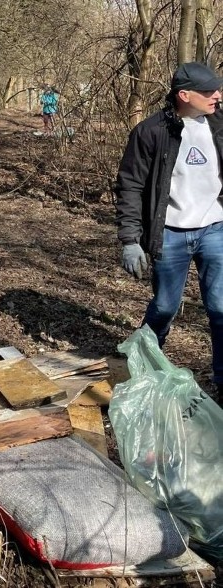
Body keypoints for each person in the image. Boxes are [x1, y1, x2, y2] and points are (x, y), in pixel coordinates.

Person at [115, 61, 223, 403]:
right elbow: (130, 184)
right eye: (208, 91)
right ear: (184, 95)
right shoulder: (152, 131)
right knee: (164, 307)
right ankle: (146, 373)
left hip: (215, 230)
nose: (217, 95)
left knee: (221, 307)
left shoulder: (220, 124)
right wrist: (131, 240)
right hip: (170, 234)